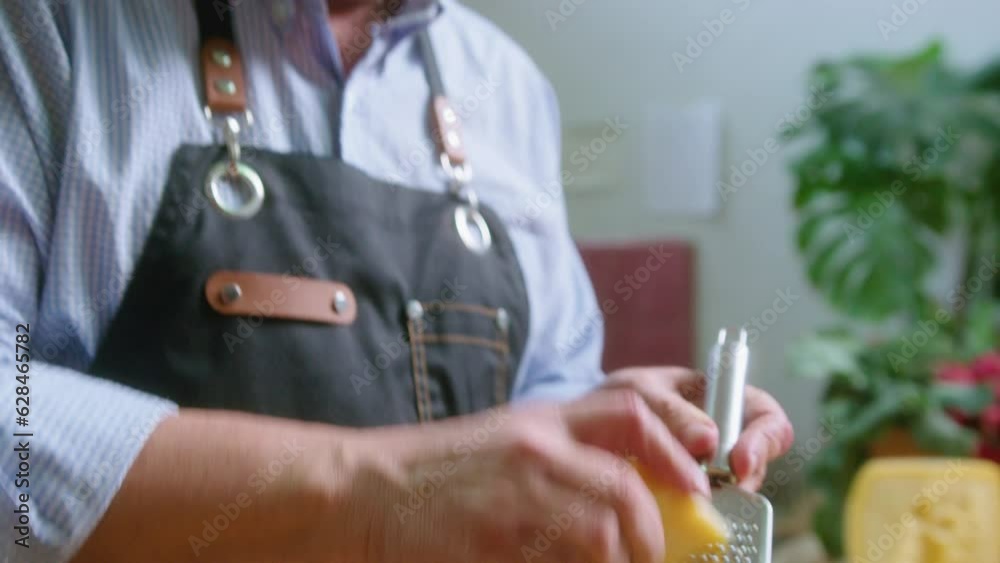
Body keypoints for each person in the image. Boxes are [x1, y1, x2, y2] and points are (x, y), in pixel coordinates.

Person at [0, 1, 793, 562]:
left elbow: (542, 401)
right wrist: (377, 497)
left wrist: (614, 433)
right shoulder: (48, 26)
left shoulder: (506, 86)